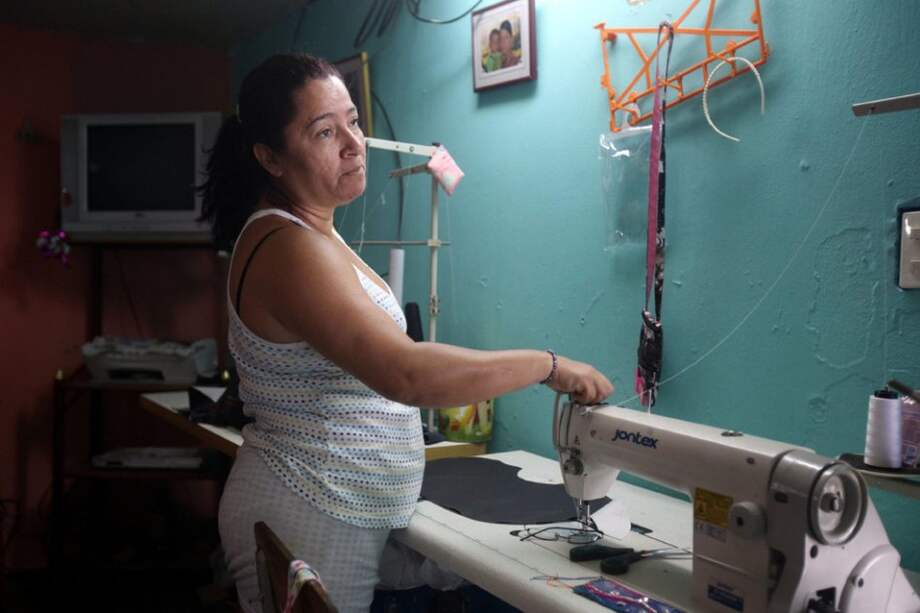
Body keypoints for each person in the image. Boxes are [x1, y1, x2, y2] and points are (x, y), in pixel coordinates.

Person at [199, 53, 613, 613]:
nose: (353, 143)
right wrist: (550, 366)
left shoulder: (312, 232)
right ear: (270, 157)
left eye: (353, 121)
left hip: (336, 503)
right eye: (325, 131)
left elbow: (405, 358)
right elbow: (406, 373)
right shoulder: (288, 246)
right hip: (311, 509)